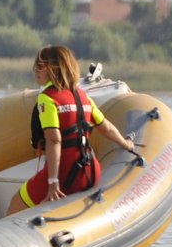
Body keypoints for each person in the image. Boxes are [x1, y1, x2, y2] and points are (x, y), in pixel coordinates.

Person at [8, 44, 137, 216]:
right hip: (90, 172)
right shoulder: (83, 97)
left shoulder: (47, 98)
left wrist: (53, 182)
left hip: (65, 176)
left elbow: (54, 140)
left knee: (16, 203)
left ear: (54, 68)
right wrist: (126, 143)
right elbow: (105, 127)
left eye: (39, 66)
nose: (34, 70)